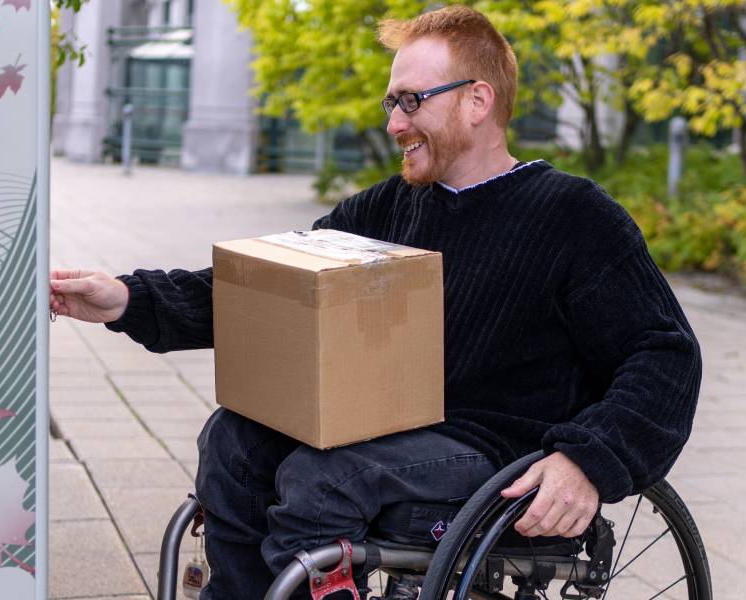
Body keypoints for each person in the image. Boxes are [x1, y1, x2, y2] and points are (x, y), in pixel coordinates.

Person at [49, 6, 701, 599]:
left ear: (478, 100)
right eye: (392, 103)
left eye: (412, 101)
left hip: (497, 448)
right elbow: (269, 293)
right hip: (388, 432)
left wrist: (588, 459)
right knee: (235, 438)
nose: (394, 123)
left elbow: (664, 352)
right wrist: (128, 298)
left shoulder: (573, 216)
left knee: (325, 477)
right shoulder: (386, 209)